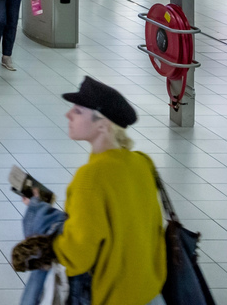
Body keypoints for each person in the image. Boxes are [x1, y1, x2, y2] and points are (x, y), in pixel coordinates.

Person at [45, 77, 166, 304]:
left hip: (114, 296)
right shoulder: (142, 162)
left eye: (79, 111)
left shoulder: (90, 178)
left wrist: (43, 230)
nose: (68, 115)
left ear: (102, 124)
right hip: (151, 292)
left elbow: (77, 257)